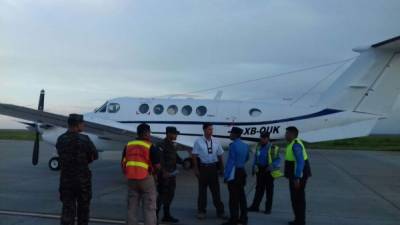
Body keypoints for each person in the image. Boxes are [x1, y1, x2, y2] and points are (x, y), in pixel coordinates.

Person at [56, 114, 98, 225]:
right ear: (77, 124)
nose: (83, 125)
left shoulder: (61, 139)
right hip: (82, 181)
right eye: (82, 123)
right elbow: (94, 155)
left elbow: (61, 155)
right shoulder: (85, 139)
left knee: (67, 211)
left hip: (66, 180)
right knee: (83, 211)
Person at [121, 123, 160, 225]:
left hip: (131, 180)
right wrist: (155, 175)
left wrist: (128, 174)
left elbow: (123, 163)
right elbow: (157, 166)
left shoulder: (128, 145)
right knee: (149, 209)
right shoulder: (151, 146)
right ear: (147, 133)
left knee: (132, 208)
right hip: (146, 179)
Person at [192, 123, 226, 220]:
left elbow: (220, 155)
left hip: (213, 168)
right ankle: (201, 211)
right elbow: (194, 155)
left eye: (212, 129)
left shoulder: (216, 141)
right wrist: (196, 169)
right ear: (204, 130)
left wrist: (222, 168)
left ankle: (220, 212)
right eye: (209, 129)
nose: (211, 131)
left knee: (216, 192)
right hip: (203, 168)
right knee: (202, 192)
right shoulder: (198, 141)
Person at [248, 132, 281, 214]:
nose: (261, 139)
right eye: (261, 138)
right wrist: (254, 166)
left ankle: (268, 209)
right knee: (258, 189)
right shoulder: (259, 146)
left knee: (269, 190)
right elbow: (256, 157)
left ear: (268, 138)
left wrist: (272, 166)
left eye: (263, 138)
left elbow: (277, 160)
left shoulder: (273, 148)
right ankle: (255, 206)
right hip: (260, 170)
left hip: (268, 171)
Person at [284, 126, 312, 225]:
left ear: (292, 134)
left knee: (298, 199)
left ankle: (300, 221)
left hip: (297, 176)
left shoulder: (295, 145)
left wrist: (297, 178)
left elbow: (300, 162)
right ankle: (298, 219)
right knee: (297, 198)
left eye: (287, 133)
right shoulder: (293, 143)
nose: (285, 135)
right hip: (296, 175)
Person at [223, 127, 249, 225]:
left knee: (233, 198)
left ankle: (233, 220)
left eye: (231, 133)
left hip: (234, 173)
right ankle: (243, 218)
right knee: (242, 196)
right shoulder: (245, 145)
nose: (230, 135)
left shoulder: (233, 146)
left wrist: (226, 175)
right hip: (242, 171)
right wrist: (240, 163)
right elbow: (247, 158)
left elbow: (231, 161)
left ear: (235, 135)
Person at [156, 126, 181, 223]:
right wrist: (164, 172)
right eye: (175, 134)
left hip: (172, 175)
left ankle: (166, 216)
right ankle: (155, 216)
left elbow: (175, 157)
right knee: (161, 196)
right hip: (164, 176)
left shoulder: (172, 145)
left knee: (170, 195)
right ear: (169, 134)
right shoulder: (161, 144)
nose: (176, 135)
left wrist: (183, 162)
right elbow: (159, 160)